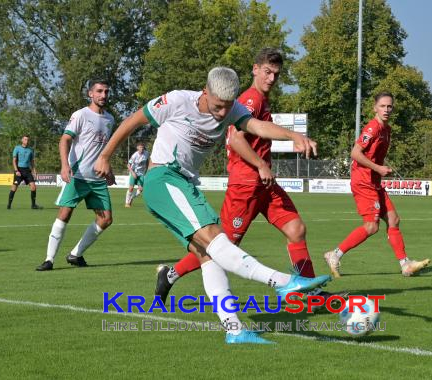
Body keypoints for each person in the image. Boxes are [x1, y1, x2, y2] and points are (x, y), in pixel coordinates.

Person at [94, 67, 331, 344]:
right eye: (217, 107)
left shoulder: (231, 109)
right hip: (163, 178)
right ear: (205, 92)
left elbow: (255, 126)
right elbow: (131, 122)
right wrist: (105, 157)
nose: (222, 114)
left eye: (227, 108)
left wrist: (292, 136)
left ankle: (234, 331)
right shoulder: (176, 100)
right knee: (218, 242)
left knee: (209, 255)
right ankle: (283, 283)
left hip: (184, 184)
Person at [155, 48, 347, 308]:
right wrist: (260, 165)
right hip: (245, 184)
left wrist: (289, 143)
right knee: (222, 246)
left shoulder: (261, 100)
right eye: (267, 72)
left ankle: (310, 294)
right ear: (255, 69)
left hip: (265, 184)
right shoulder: (249, 100)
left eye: (276, 74)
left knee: (296, 229)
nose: (271, 78)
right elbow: (236, 139)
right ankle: (170, 274)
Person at [324, 92, 430, 278]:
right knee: (371, 226)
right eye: (382, 106)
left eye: (389, 106)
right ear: (375, 108)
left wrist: (378, 171)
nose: (386, 109)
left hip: (374, 181)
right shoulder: (372, 128)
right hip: (364, 182)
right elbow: (355, 153)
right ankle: (335, 254)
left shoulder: (386, 129)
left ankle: (405, 265)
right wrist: (378, 168)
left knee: (393, 220)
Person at [36, 79, 115, 271]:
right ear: (90, 94)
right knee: (65, 213)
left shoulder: (110, 119)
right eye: (99, 91)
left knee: (106, 219)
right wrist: (64, 165)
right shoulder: (80, 114)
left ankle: (75, 254)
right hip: (78, 176)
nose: (103, 95)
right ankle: (49, 259)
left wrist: (109, 170)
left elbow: (104, 149)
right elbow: (65, 140)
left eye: (106, 92)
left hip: (97, 179)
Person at [8, 135, 41, 209]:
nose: (27, 141)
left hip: (27, 171)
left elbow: (32, 162)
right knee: (14, 187)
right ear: (22, 140)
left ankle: (33, 205)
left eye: (28, 140)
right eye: (25, 139)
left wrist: (34, 171)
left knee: (33, 187)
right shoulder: (17, 148)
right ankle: (9, 205)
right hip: (19, 170)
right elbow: (14, 160)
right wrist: (16, 171)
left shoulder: (30, 150)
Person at [125, 141, 150, 207]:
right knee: (131, 188)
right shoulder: (134, 155)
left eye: (142, 147)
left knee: (140, 189)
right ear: (137, 148)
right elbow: (128, 165)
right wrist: (132, 173)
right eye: (140, 147)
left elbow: (147, 161)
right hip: (134, 172)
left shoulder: (146, 153)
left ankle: (131, 198)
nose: (141, 149)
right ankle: (127, 202)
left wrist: (146, 170)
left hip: (141, 174)